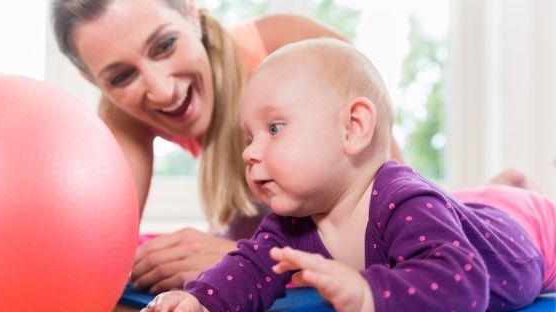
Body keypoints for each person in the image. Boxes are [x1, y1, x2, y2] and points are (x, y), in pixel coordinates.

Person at [130, 39, 555, 312]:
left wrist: (367, 293)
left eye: (274, 128)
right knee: (458, 206)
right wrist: (200, 307)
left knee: (487, 209)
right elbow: (250, 269)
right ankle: (496, 186)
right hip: (461, 209)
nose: (250, 153)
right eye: (249, 137)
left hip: (529, 228)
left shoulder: (403, 200)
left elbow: (463, 285)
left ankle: (514, 188)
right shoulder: (294, 222)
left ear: (353, 128)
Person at [51, 0, 407, 294]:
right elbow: (99, 249)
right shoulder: (123, 114)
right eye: (121, 76)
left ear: (191, 12)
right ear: (92, 80)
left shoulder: (293, 51)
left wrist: (246, 260)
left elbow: (397, 232)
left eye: (164, 45)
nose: (162, 91)